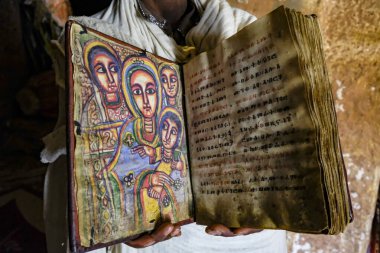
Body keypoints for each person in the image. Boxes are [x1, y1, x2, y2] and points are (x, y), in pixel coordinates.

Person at [42, 0, 287, 252]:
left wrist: (270, 203)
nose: (146, 100)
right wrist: (117, 222)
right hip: (161, 232)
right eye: (137, 91)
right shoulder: (93, 35)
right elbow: (81, 158)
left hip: (249, 238)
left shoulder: (244, 29)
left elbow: (275, 144)